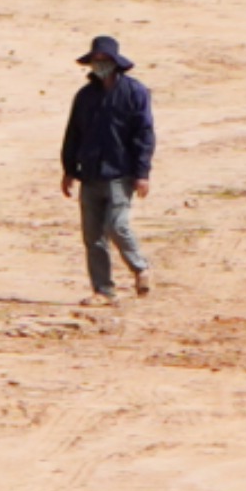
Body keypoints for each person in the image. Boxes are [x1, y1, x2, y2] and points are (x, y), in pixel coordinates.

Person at [59, 35, 155, 299]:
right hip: (90, 174)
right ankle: (103, 291)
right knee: (93, 237)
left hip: (120, 173)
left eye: (104, 59)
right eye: (96, 59)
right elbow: (73, 134)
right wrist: (69, 169)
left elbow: (144, 134)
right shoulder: (84, 97)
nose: (100, 64)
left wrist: (142, 173)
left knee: (116, 225)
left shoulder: (134, 92)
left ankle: (140, 267)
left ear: (115, 61)